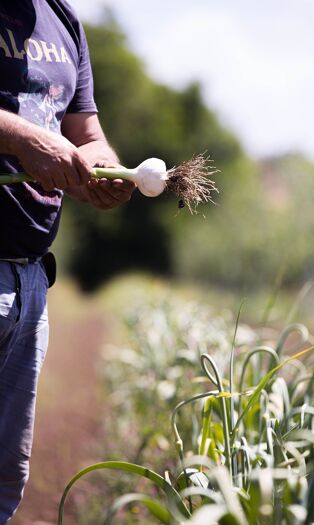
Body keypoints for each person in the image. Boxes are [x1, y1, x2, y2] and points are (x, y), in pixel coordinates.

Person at [0, 1, 135, 522]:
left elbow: (86, 131)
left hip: (30, 280)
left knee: (5, 475)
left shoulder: (63, 19)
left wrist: (103, 168)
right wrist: (25, 139)